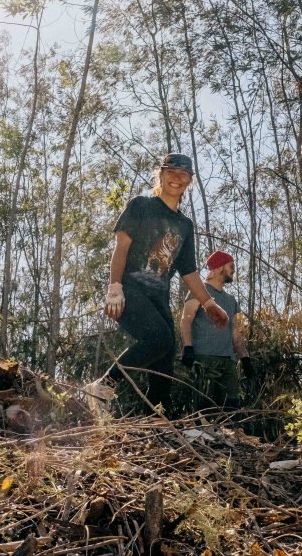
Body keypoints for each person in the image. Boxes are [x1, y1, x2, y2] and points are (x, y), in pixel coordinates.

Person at [84, 153, 229, 415]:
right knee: (158, 337)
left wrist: (209, 304)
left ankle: (156, 414)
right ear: (160, 175)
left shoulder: (185, 225)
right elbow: (121, 247)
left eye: (183, 175)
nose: (176, 178)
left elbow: (189, 272)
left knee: (165, 355)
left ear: (190, 181)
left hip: (158, 296)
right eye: (171, 172)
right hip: (130, 288)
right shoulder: (141, 205)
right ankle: (103, 386)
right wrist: (114, 287)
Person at [179, 250, 253, 410]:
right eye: (231, 266)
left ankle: (228, 436)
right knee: (203, 409)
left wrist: (245, 358)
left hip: (227, 362)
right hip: (203, 359)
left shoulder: (230, 300)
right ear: (219, 267)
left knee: (231, 408)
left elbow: (235, 332)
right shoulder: (198, 291)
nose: (234, 269)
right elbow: (186, 320)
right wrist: (188, 347)